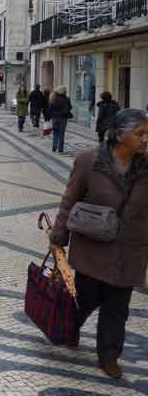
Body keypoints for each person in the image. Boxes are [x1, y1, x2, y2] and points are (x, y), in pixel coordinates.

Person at [50, 109, 148, 380]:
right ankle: (70, 329)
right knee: (84, 299)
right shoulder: (89, 161)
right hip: (94, 247)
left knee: (117, 309)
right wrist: (59, 235)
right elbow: (69, 199)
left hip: (131, 249)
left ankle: (109, 356)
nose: (145, 139)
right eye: (140, 133)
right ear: (119, 135)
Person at [48, 85, 72, 153]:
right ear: (64, 91)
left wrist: (49, 117)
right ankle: (60, 149)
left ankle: (54, 147)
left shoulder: (53, 97)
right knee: (61, 133)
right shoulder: (66, 98)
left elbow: (50, 108)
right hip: (63, 118)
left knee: (55, 132)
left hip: (55, 118)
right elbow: (70, 107)